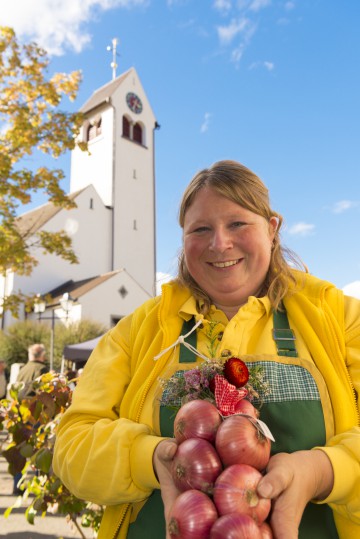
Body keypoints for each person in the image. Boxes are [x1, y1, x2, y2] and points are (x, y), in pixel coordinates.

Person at [53, 160, 360, 539]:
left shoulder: (339, 317)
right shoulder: (138, 331)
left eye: (237, 224)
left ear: (272, 228)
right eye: (200, 229)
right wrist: (150, 458)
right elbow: (71, 447)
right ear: (183, 239)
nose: (220, 243)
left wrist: (324, 471)